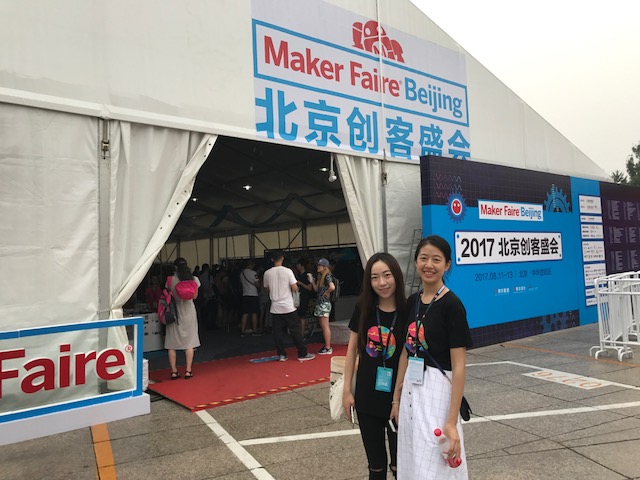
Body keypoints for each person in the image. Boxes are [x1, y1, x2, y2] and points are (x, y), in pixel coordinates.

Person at [390, 235, 473, 479]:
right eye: (423, 258)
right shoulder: (412, 302)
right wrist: (395, 401)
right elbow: (405, 351)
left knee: (437, 459)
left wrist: (451, 421)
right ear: (416, 261)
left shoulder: (452, 305)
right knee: (412, 455)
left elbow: (459, 366)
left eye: (436, 260)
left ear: (447, 265)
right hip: (411, 390)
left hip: (438, 393)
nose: (429, 265)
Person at [343, 253, 407, 480]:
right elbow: (352, 349)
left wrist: (397, 399)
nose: (382, 283)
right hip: (367, 398)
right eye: (375, 277)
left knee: (401, 466)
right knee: (376, 467)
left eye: (387, 275)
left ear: (396, 276)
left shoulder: (408, 310)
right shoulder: (364, 308)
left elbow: (408, 354)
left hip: (399, 401)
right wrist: (347, 391)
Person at [262, 250, 315, 362]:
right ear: (282, 258)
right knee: (295, 330)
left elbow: (267, 289)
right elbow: (294, 287)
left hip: (275, 307)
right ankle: (302, 353)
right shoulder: (288, 271)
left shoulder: (267, 273)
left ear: (272, 259)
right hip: (288, 305)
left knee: (277, 332)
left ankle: (282, 354)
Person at [165, 257, 201, 380]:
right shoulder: (194, 279)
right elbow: (195, 297)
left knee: (171, 343)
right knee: (190, 342)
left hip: (174, 312)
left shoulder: (170, 280)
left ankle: (174, 371)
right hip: (189, 311)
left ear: (175, 267)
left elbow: (168, 295)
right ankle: (188, 371)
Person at [313, 257, 335, 354]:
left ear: (325, 267)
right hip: (321, 303)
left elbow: (332, 287)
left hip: (324, 303)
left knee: (325, 326)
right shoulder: (321, 277)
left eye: (320, 265)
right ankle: (327, 345)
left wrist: (327, 292)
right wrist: (312, 281)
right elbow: (316, 290)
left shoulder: (327, 276)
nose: (318, 267)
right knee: (323, 325)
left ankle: (328, 347)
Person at [240, 259, 261, 335]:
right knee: (254, 313)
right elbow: (257, 284)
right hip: (253, 294)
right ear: (251, 264)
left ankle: (243, 330)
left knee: (245, 313)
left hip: (245, 294)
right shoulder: (253, 273)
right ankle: (254, 330)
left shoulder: (242, 273)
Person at [295, 258, 314, 334]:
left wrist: (301, 284)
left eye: (298, 265)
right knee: (300, 315)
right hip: (299, 297)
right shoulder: (299, 275)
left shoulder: (307, 275)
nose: (297, 266)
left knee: (302, 316)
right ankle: (309, 327)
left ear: (302, 266)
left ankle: (302, 334)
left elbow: (310, 288)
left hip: (304, 297)